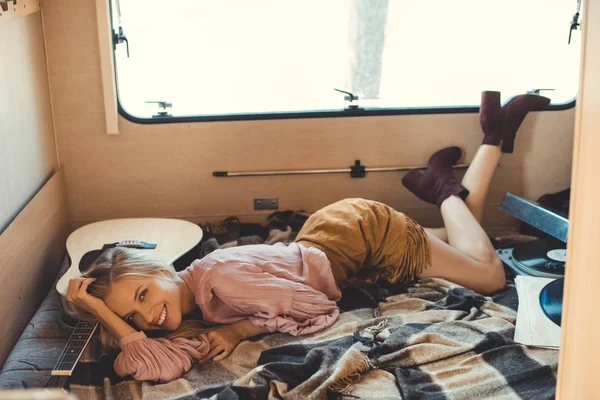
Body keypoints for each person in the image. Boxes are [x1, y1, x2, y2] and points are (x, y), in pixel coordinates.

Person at [65, 90, 550, 382]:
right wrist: (101, 310)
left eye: (144, 294)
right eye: (134, 314)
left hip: (363, 233)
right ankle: (494, 133)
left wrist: (240, 330)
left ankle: (440, 187)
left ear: (158, 270)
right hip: (332, 239)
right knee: (471, 240)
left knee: (487, 276)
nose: (149, 315)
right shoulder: (187, 306)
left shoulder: (221, 282)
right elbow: (153, 366)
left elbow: (320, 308)